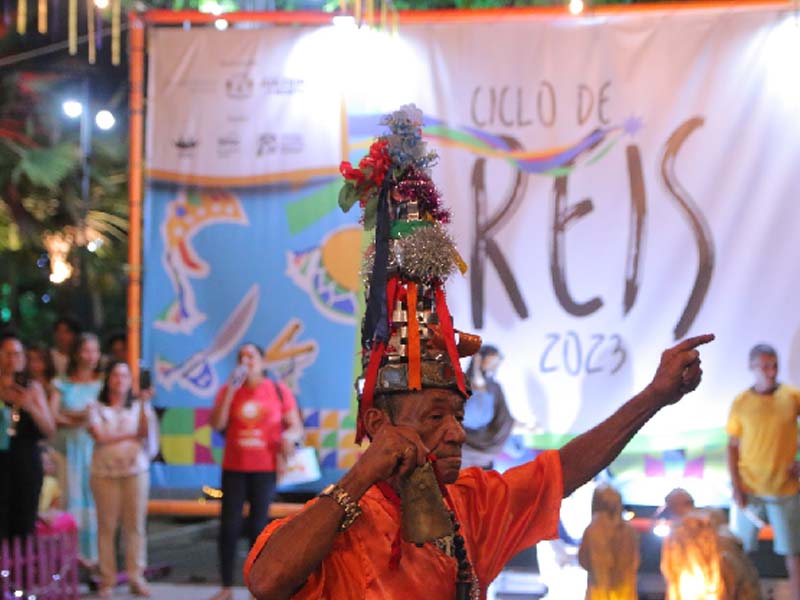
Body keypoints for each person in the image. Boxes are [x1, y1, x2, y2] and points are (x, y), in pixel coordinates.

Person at [243, 105, 715, 600]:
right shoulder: (343, 523)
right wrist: (361, 476)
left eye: (457, 414)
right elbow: (266, 581)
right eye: (435, 416)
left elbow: (564, 470)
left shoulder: (471, 502)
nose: (456, 432)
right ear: (379, 425)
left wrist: (655, 396)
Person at [208, 342, 303, 600]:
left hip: (265, 468)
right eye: (242, 357)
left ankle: (256, 588)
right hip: (235, 467)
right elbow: (217, 424)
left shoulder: (278, 390)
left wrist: (289, 437)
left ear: (263, 362)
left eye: (251, 356)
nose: (246, 361)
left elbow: (295, 426)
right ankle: (226, 586)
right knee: (229, 526)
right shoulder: (229, 390)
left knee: (259, 528)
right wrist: (231, 390)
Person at [727, 343, 800, 600]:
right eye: (765, 366)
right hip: (749, 490)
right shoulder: (741, 402)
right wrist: (735, 484)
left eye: (774, 366)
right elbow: (732, 446)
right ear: (753, 367)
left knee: (793, 554)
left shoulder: (792, 397)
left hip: (784, 489)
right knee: (737, 554)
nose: (771, 372)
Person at [88, 361, 158, 598]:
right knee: (107, 526)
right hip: (104, 472)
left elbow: (145, 434)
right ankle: (107, 578)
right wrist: (130, 435)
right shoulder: (96, 407)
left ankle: (136, 576)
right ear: (108, 379)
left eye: (125, 376)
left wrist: (145, 404)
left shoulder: (139, 406)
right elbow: (99, 435)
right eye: (115, 375)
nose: (120, 380)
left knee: (135, 526)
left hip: (135, 471)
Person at [50, 332, 103, 565]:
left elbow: (102, 414)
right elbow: (53, 415)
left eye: (95, 351)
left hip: (94, 450)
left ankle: (96, 559)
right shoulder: (62, 383)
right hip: (68, 452)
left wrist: (71, 416)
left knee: (95, 501)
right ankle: (68, 559)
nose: (91, 356)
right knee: (68, 499)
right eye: (86, 350)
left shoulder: (102, 384)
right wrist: (78, 417)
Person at [0, 330, 56, 541]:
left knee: (23, 520)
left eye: (17, 354)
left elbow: (49, 430)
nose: (12, 359)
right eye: (7, 354)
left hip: (25, 460)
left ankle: (20, 561)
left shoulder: (34, 388)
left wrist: (30, 406)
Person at [662, 487, 761, 600]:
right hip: (732, 580)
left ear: (673, 506)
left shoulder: (682, 530)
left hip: (716, 580)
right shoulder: (715, 519)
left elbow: (672, 572)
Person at [578, 484, 639, 600]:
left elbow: (583, 560)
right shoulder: (629, 530)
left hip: (599, 587)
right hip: (623, 586)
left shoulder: (592, 530)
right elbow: (635, 560)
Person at [461, 345, 514, 469]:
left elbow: (504, 418)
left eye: (496, 362)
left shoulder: (495, 387)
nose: (493, 365)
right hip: (459, 441)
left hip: (484, 443)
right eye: (491, 360)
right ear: (479, 359)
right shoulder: (459, 382)